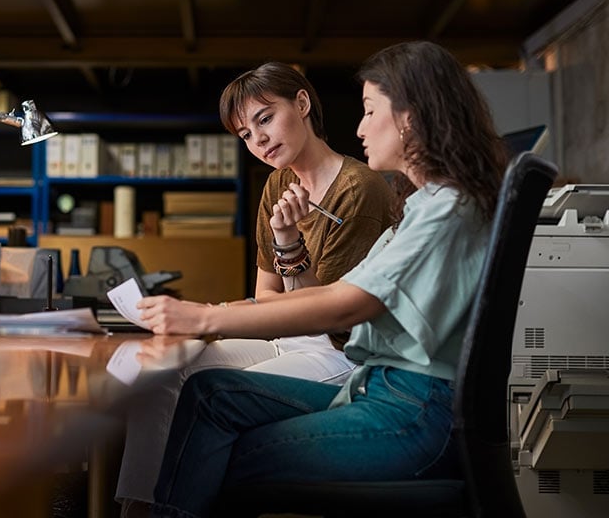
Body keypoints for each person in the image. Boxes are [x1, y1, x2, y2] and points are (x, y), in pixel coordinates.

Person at [138, 40, 510, 518]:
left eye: (369, 110)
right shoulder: (422, 205)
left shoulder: (446, 209)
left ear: (411, 117)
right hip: (383, 391)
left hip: (412, 412)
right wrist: (232, 297)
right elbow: (327, 295)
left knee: (214, 450)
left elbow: (345, 306)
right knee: (208, 394)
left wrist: (206, 316)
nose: (358, 128)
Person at [115, 62, 395, 515]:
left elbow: (333, 316)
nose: (258, 140)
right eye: (245, 134)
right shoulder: (278, 184)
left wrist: (289, 245)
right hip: (288, 337)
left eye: (265, 119)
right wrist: (286, 248)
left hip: (343, 352)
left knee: (211, 393)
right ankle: (138, 506)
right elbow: (269, 298)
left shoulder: (358, 189)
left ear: (302, 103)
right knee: (161, 371)